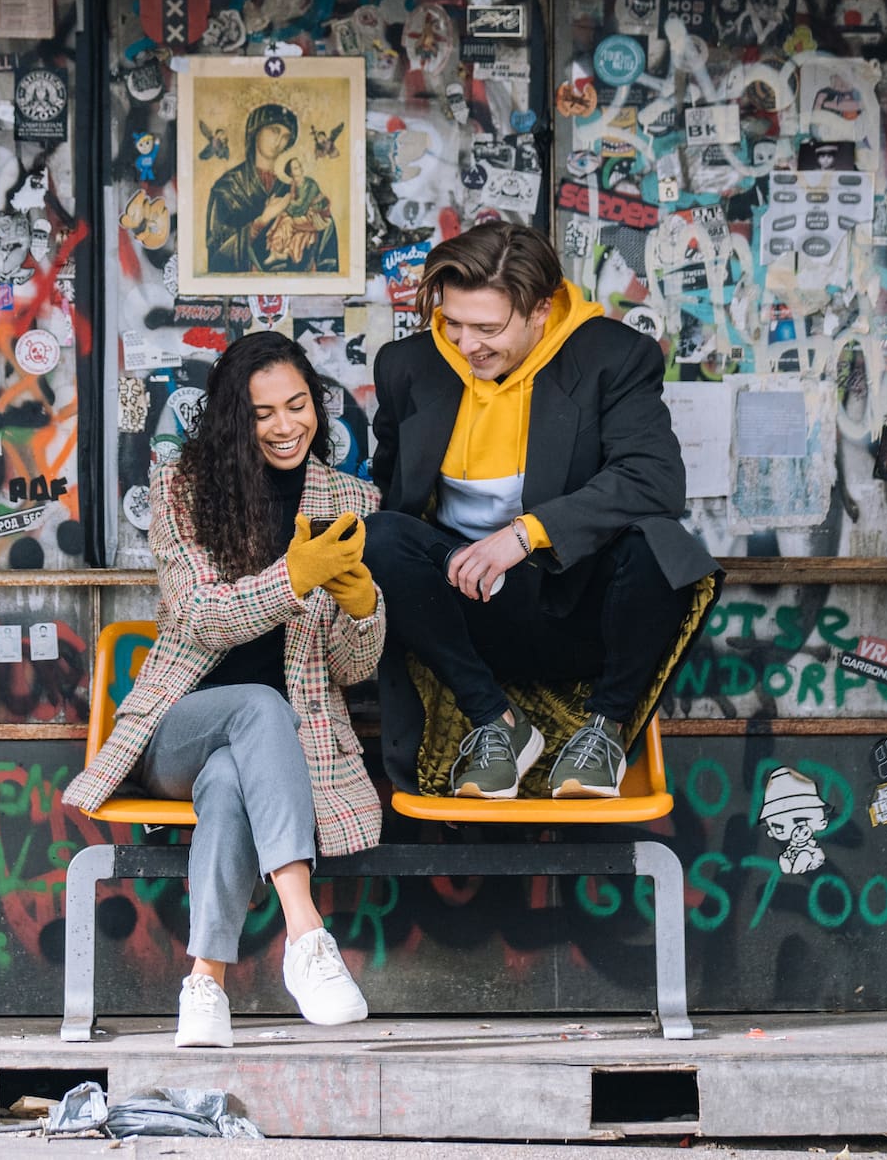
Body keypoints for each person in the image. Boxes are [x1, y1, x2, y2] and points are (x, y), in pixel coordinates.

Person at [63, 332, 384, 1047]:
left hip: (287, 749)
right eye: (262, 413)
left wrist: (364, 604)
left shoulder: (352, 499)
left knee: (230, 781)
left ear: (317, 406)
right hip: (180, 724)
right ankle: (306, 931)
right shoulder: (183, 489)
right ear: (234, 421)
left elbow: (355, 666)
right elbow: (203, 617)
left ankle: (204, 985)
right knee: (253, 708)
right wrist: (293, 576)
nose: (284, 425)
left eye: (297, 406)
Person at [364, 221, 718, 800]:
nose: (464, 342)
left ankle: (603, 731)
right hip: (465, 611)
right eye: (452, 321)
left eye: (487, 327)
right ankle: (495, 723)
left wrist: (525, 536)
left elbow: (654, 479)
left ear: (540, 310)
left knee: (661, 544)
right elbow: (392, 484)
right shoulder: (408, 365)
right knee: (381, 537)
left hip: (575, 604)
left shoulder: (613, 356)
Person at [203, 103, 339, 276]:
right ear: (255, 130)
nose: (278, 142)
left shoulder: (289, 187)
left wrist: (320, 221)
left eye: (285, 137)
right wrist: (261, 222)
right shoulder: (228, 187)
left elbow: (321, 223)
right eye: (274, 131)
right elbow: (216, 258)